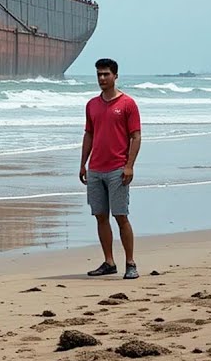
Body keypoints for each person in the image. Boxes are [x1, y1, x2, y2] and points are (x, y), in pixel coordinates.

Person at [80, 58, 142, 280]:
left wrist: (129, 166)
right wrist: (83, 164)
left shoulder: (127, 104)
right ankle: (109, 262)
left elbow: (136, 136)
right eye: (99, 74)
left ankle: (130, 263)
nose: (102, 78)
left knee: (120, 216)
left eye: (106, 74)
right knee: (100, 217)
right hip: (95, 169)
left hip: (118, 169)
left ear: (115, 76)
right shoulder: (92, 105)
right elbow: (89, 134)